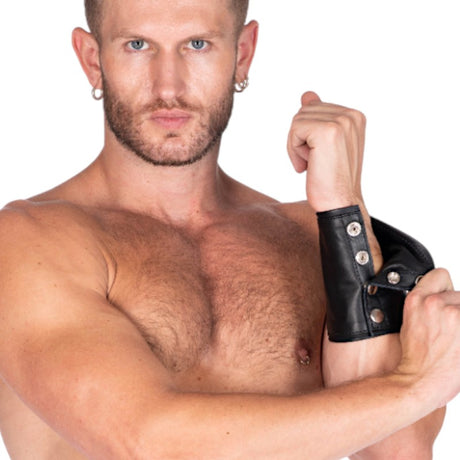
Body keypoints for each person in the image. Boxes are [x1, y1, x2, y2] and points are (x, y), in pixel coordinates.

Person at [0, 1, 459, 459]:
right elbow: (148, 444)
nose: (168, 87)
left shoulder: (310, 237)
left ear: (242, 54)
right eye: (137, 45)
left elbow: (393, 452)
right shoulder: (30, 241)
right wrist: (417, 387)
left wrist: (344, 206)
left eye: (197, 44)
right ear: (92, 59)